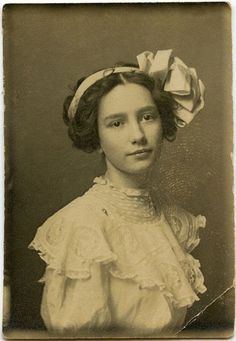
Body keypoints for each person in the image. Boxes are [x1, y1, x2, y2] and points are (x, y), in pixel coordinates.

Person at [29, 49, 207, 337]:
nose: (137, 134)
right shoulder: (83, 226)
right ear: (96, 138)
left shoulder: (174, 223)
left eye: (147, 117)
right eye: (116, 123)